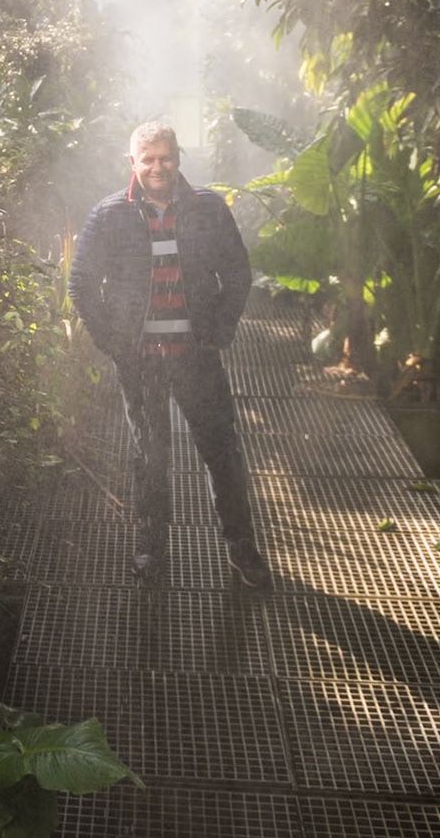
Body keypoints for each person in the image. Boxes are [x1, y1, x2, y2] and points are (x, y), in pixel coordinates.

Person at [67, 122, 271, 587]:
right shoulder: (109, 215)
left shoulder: (208, 210)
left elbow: (238, 273)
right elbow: (81, 286)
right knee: (150, 456)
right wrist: (115, 344)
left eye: (166, 157)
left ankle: (242, 547)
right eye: (149, 159)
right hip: (141, 362)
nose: (158, 167)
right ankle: (151, 551)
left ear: (178, 158)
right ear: (133, 164)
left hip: (196, 355)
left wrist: (218, 332)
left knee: (222, 451)